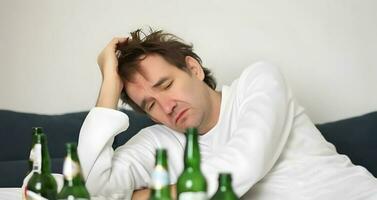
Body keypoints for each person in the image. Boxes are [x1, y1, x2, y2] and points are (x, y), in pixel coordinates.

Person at [77, 29, 377, 200]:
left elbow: (239, 169)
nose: (167, 106)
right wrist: (109, 86)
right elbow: (92, 189)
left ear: (192, 68)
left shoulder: (258, 81)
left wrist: (142, 197)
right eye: (151, 104)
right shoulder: (159, 140)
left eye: (166, 85)